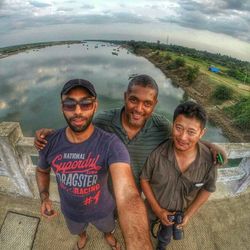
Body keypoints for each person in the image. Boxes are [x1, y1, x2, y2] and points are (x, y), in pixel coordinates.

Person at [35, 75, 225, 189]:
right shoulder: (104, 121)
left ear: (154, 105)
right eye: (134, 100)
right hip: (105, 189)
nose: (139, 109)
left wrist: (211, 146)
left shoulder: (161, 127)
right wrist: (51, 134)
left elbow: (182, 138)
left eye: (147, 104)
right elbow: (79, 127)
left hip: (137, 189)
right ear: (125, 97)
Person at [36, 79, 153, 250]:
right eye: (70, 104)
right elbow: (41, 170)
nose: (77, 111)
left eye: (85, 104)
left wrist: (140, 245)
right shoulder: (50, 143)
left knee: (107, 228)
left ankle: (108, 235)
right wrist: (44, 197)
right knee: (78, 230)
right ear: (62, 107)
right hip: (71, 211)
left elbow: (128, 194)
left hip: (103, 209)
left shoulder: (110, 144)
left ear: (95, 106)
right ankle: (83, 236)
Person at [140, 101, 218, 250]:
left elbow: (207, 189)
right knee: (143, 228)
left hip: (178, 214)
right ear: (173, 124)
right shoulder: (158, 153)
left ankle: (161, 246)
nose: (182, 137)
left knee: (165, 237)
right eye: (178, 128)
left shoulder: (209, 161)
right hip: (151, 208)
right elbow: (144, 179)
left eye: (191, 132)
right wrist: (157, 210)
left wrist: (188, 214)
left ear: (202, 133)